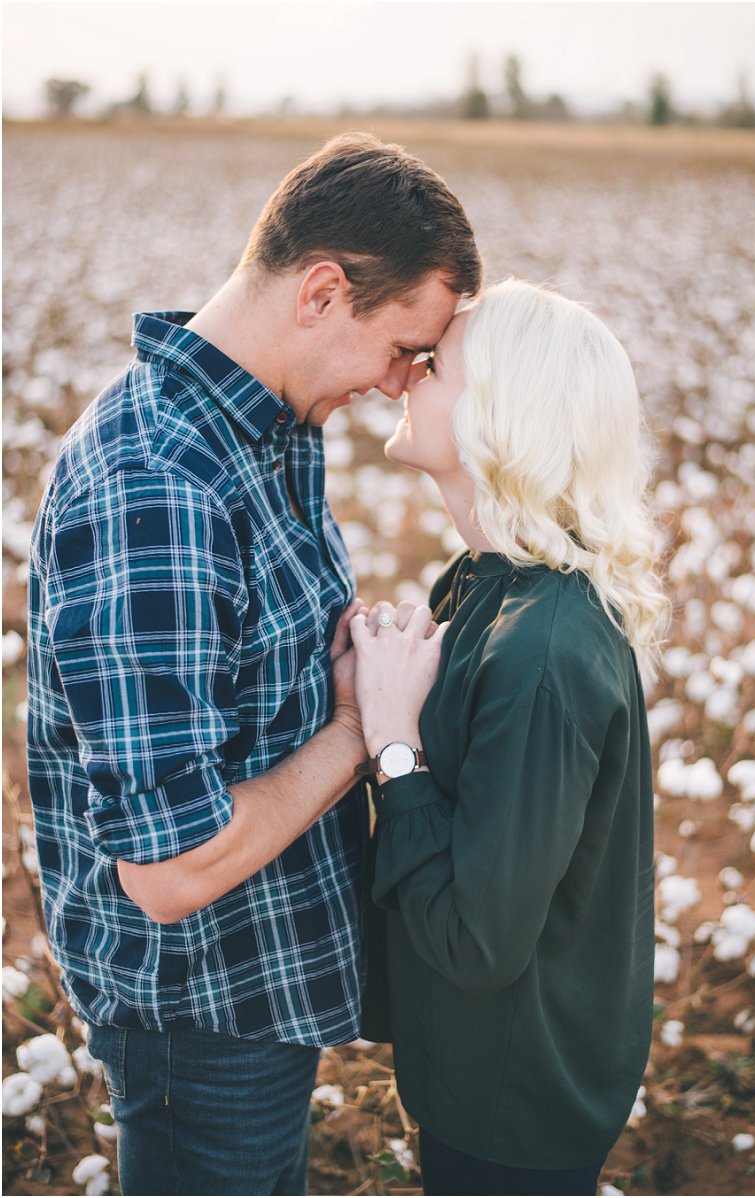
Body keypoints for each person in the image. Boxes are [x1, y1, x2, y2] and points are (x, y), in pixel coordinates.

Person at [26, 132, 481, 1196]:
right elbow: (171, 870)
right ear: (322, 292)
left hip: (258, 986)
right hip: (202, 1014)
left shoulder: (264, 428)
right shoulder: (157, 489)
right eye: (402, 348)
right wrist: (362, 728)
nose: (398, 385)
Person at [350, 279, 670, 1197]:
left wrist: (393, 741)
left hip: (514, 1105)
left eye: (434, 364)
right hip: (481, 1071)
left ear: (498, 413)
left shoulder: (539, 652)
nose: (405, 374)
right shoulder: (483, 582)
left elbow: (475, 943)